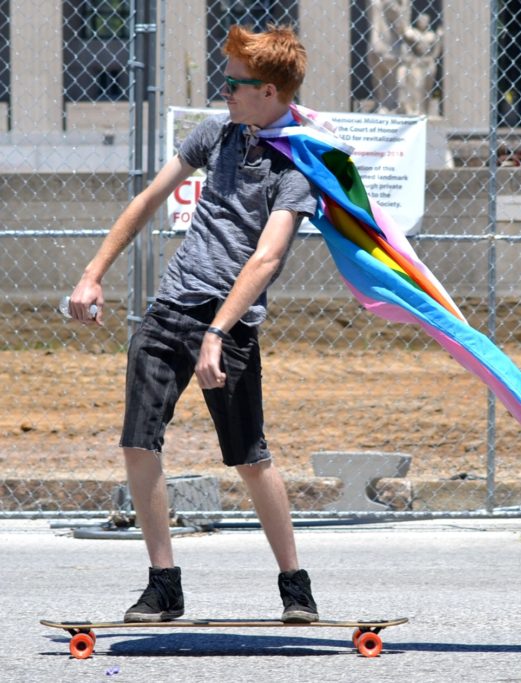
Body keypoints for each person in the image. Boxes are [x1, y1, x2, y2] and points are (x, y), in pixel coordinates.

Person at [66, 25, 320, 624]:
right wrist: (93, 272)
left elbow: (267, 257)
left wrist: (218, 333)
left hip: (229, 326)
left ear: (272, 91)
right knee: (137, 441)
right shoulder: (217, 133)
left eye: (234, 83)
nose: (223, 90)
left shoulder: (299, 163)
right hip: (170, 309)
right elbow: (149, 200)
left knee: (249, 457)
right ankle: (163, 584)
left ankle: (295, 586)